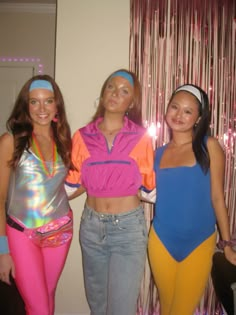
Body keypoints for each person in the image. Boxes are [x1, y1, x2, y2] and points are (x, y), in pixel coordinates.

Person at [65, 69, 155, 315]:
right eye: (111, 87)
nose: (116, 93)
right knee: (98, 307)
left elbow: (149, 188)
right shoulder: (82, 137)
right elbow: (73, 184)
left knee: (120, 310)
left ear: (131, 102)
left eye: (124, 91)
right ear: (103, 93)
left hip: (127, 231)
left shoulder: (141, 138)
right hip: (91, 227)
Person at [147, 84, 236, 315]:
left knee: (181, 311)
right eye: (175, 107)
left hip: (199, 242)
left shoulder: (210, 146)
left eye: (188, 111)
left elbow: (218, 197)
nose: (179, 115)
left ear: (198, 117)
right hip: (161, 242)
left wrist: (226, 244)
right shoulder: (157, 154)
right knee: (167, 308)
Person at [0, 74, 74, 315]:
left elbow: (68, 183)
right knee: (38, 308)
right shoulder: (11, 140)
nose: (41, 108)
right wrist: (2, 250)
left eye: (48, 101)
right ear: (26, 105)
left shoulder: (64, 140)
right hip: (22, 234)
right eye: (34, 102)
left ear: (56, 105)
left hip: (60, 232)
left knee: (47, 300)